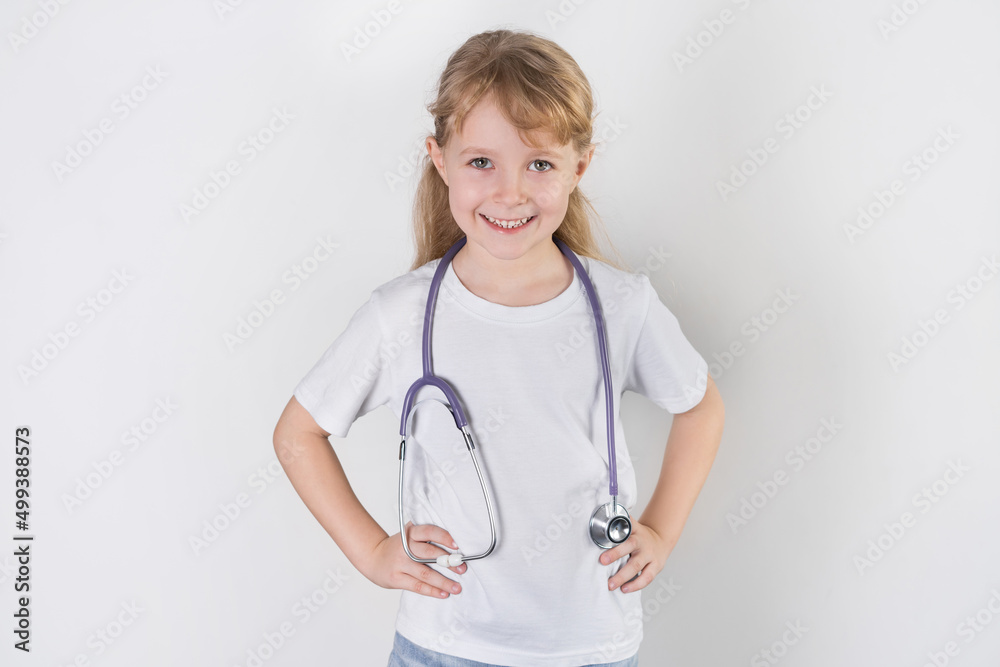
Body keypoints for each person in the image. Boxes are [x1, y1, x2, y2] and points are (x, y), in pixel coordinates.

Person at [273, 28, 725, 667]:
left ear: (579, 167)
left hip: (590, 645)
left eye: (539, 164)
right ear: (439, 160)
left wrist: (661, 531)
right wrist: (372, 551)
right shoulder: (401, 315)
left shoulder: (623, 305)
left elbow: (701, 408)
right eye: (481, 162)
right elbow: (298, 434)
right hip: (445, 645)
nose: (510, 192)